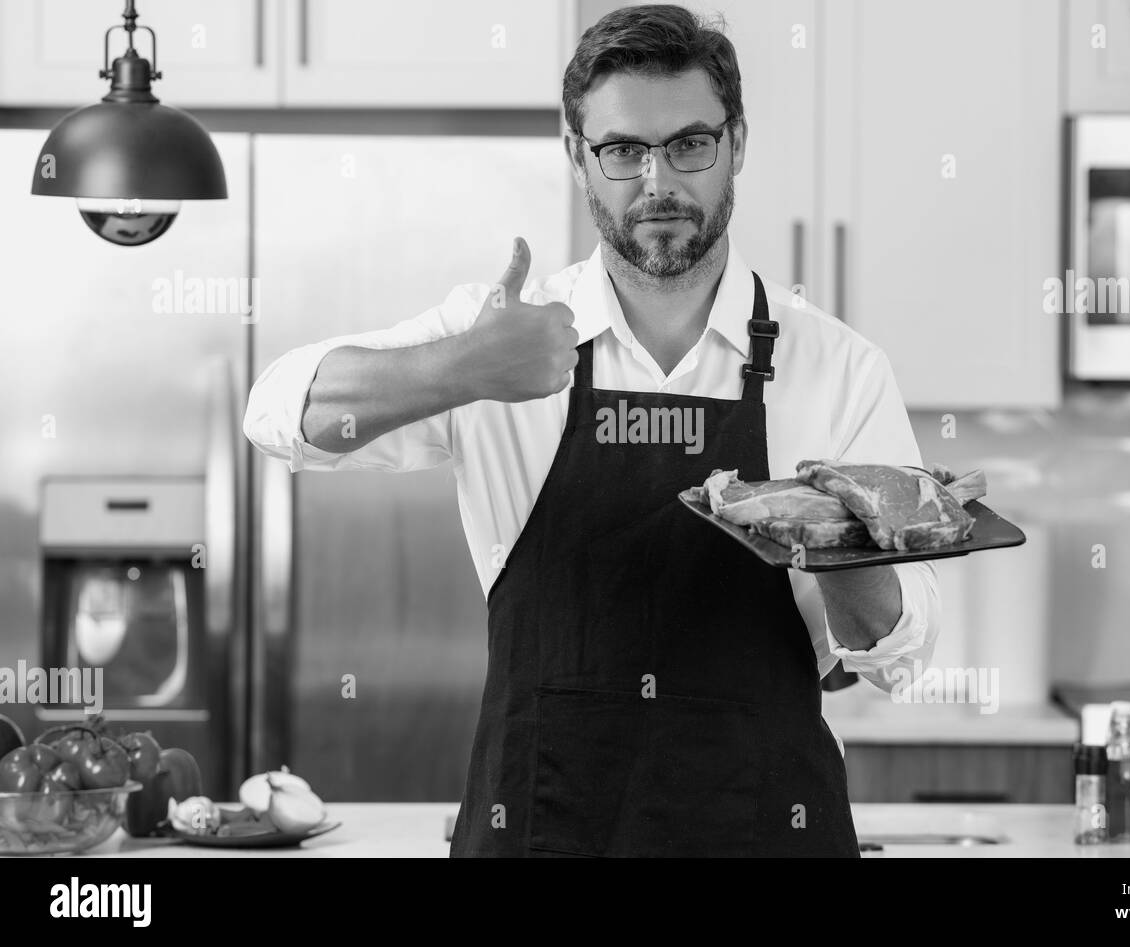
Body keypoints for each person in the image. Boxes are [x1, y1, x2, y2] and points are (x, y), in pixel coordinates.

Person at [244, 4, 941, 857]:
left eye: (691, 143)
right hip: (539, 828)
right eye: (622, 150)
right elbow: (278, 415)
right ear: (579, 156)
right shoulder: (499, 337)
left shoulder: (836, 367)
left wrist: (840, 525)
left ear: (738, 144)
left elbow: (899, 654)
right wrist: (462, 367)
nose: (659, 182)